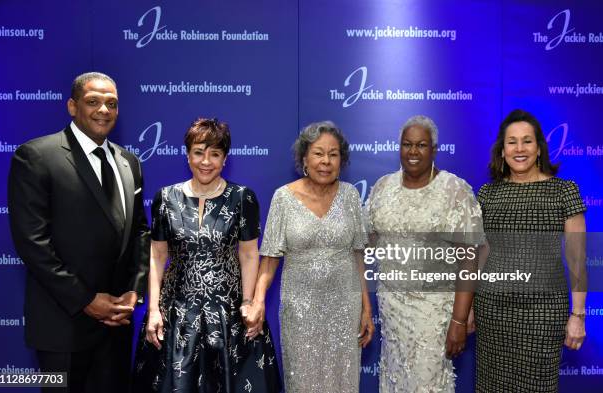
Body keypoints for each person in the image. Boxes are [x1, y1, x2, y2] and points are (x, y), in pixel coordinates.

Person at [7, 72, 150, 393]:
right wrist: (85, 299)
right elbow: (33, 243)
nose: (104, 110)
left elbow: (140, 231)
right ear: (73, 106)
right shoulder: (36, 157)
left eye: (111, 103)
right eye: (93, 102)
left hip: (116, 324)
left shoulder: (130, 162)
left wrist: (134, 291)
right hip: (62, 327)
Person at [133, 118, 281, 392]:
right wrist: (153, 309)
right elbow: (157, 256)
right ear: (188, 154)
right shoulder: (165, 198)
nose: (206, 161)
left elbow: (249, 255)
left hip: (230, 316)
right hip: (175, 315)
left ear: (225, 159)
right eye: (199, 152)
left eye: (215, 154)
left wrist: (248, 302)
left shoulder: (242, 198)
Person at [246, 121, 375, 393]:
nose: (326, 161)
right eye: (318, 153)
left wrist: (366, 308)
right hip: (299, 312)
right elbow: (269, 259)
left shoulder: (351, 196)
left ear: (342, 160)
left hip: (344, 309)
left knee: (343, 383)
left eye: (333, 154)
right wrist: (257, 302)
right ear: (304, 158)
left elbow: (357, 256)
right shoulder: (283, 197)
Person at [365, 115, 483, 393]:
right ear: (399, 148)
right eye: (407, 144)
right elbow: (364, 242)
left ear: (434, 150)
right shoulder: (383, 187)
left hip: (433, 314)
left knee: (427, 383)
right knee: (395, 381)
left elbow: (470, 257)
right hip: (392, 312)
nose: (413, 151)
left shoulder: (455, 190)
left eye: (421, 145)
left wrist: (459, 318)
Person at [474, 109, 586, 392]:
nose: (519, 149)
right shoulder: (487, 194)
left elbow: (577, 259)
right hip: (493, 311)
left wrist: (578, 315)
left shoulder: (564, 191)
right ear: (502, 150)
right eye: (512, 142)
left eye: (527, 141)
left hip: (544, 314)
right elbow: (479, 256)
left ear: (539, 149)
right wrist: (468, 309)